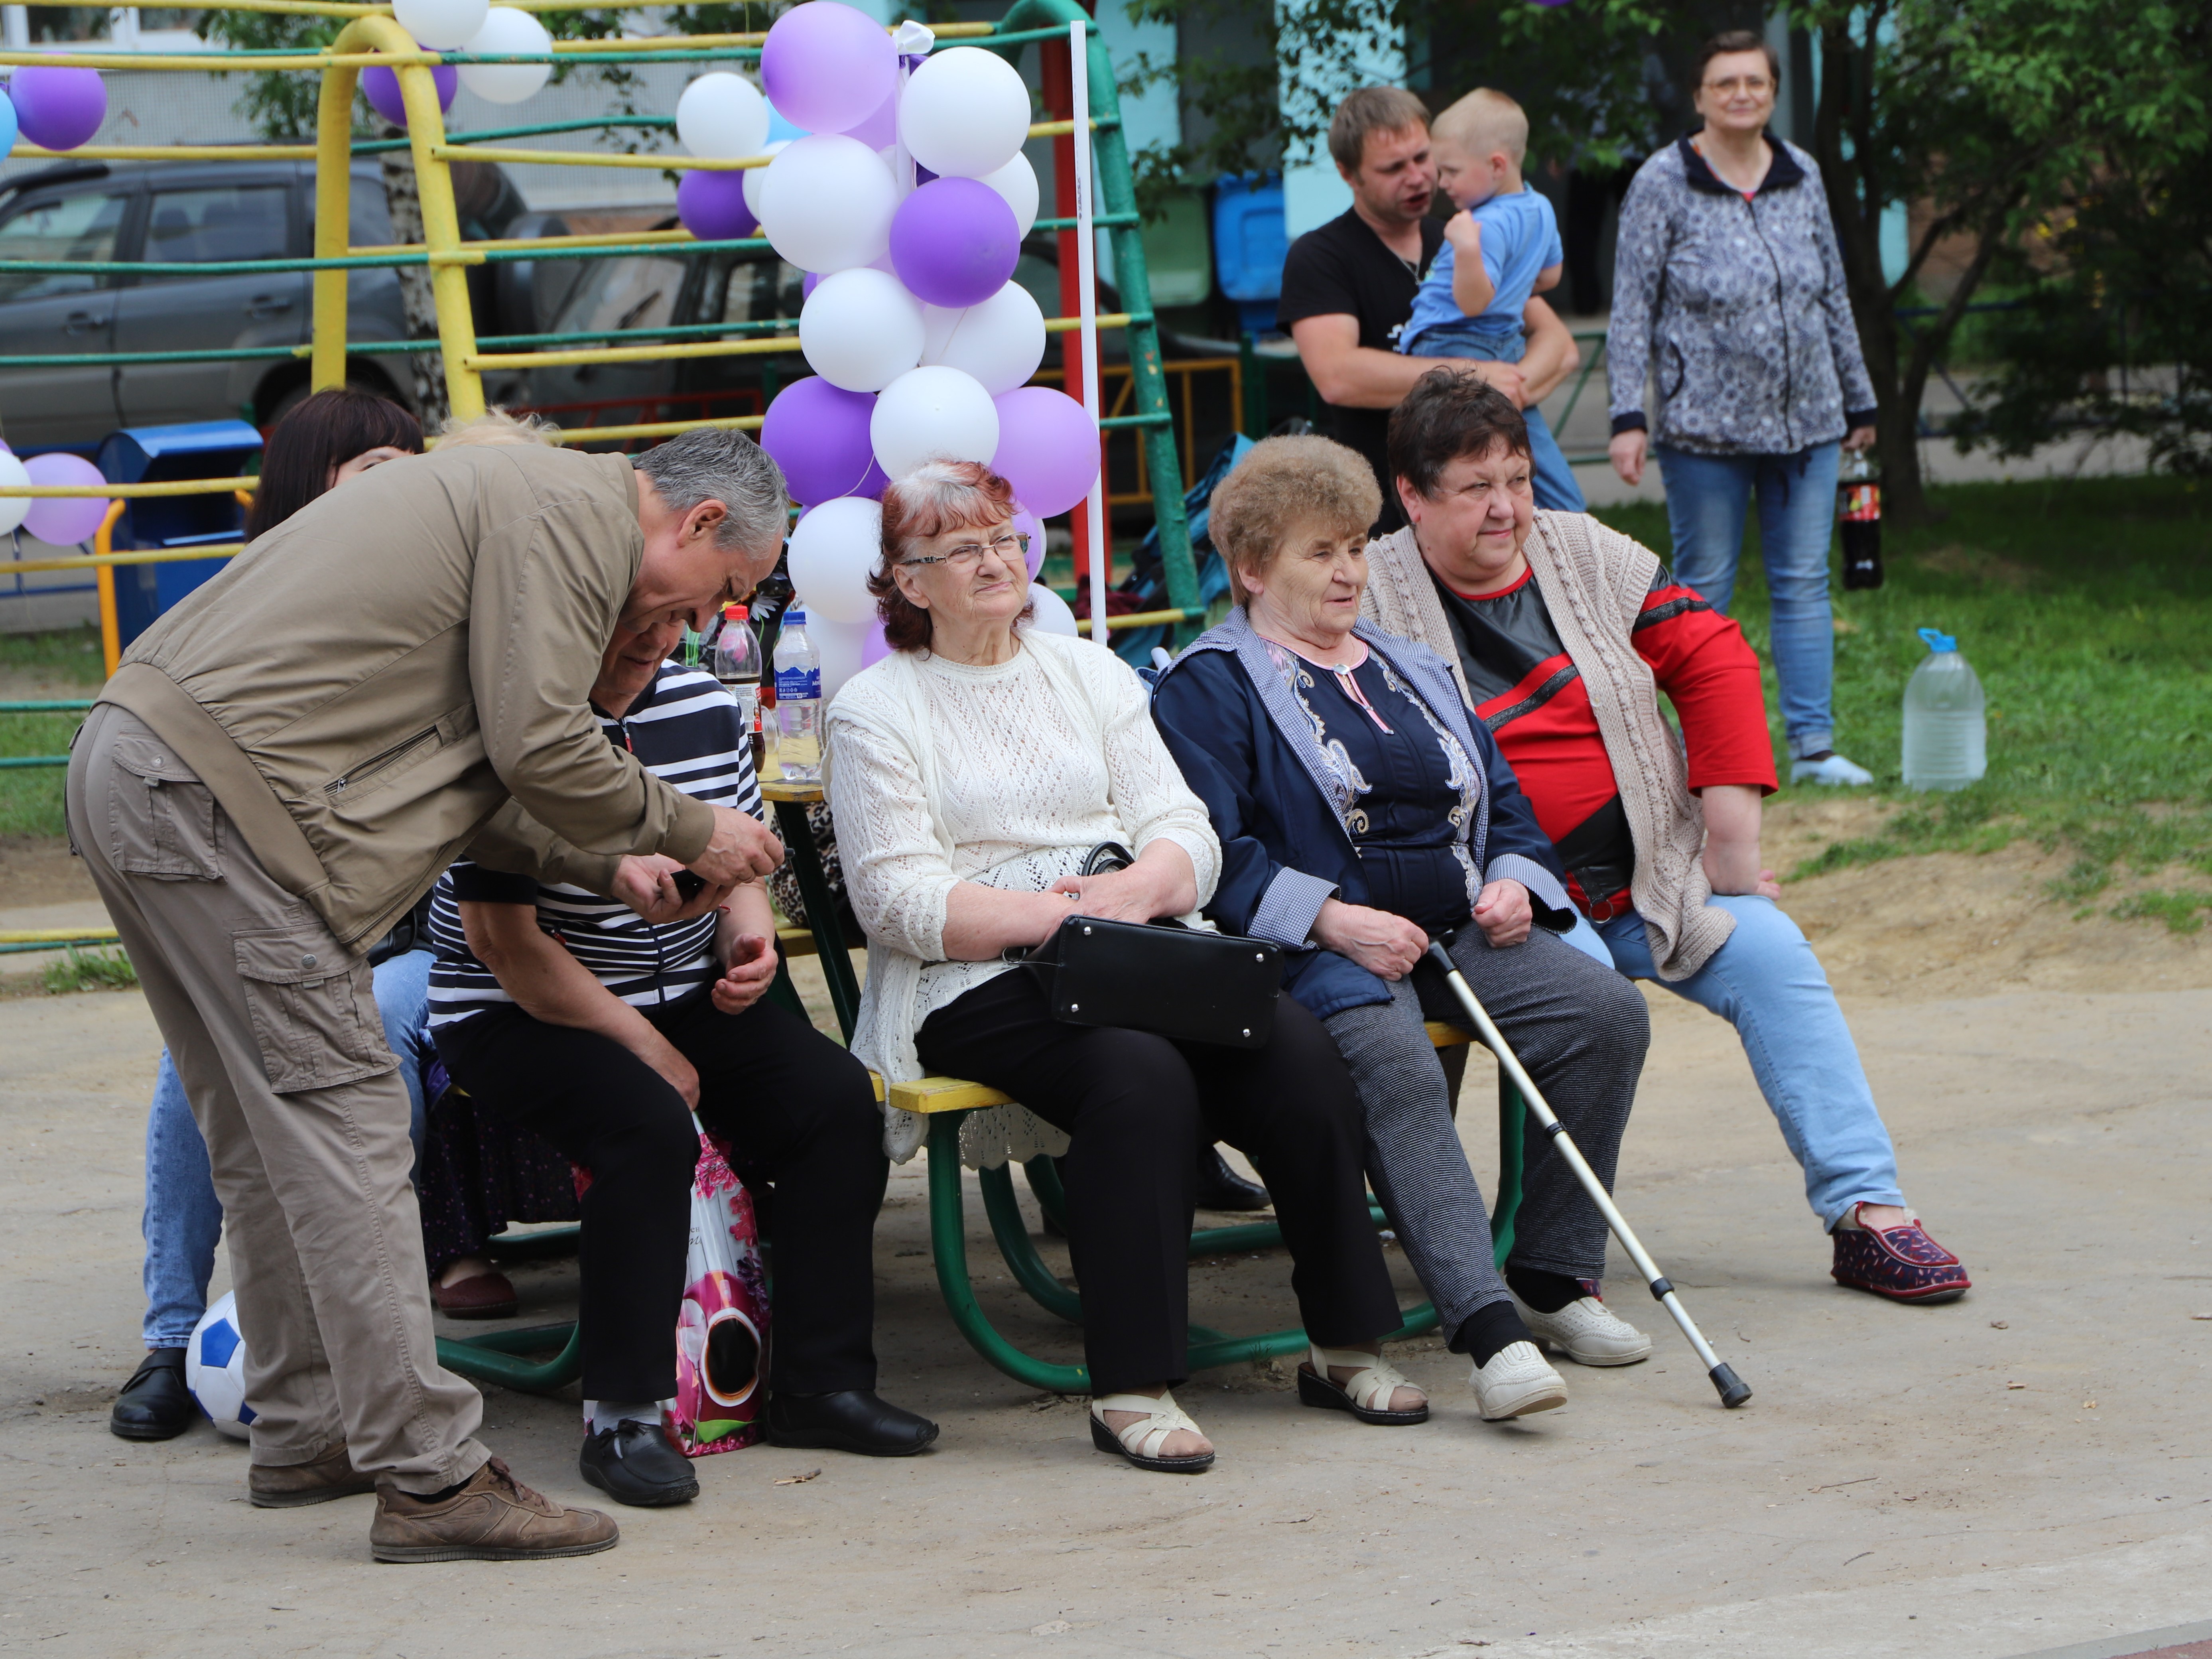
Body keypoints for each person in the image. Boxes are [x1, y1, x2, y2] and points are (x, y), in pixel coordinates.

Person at [69, 424, 790, 1563]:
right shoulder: (563, 513)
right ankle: (433, 1475)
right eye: (727, 590)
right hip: (219, 805)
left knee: (264, 1142)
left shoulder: (519, 502)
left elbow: (489, 771)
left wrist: (606, 866)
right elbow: (543, 744)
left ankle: (306, 1428)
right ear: (699, 523)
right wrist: (696, 826)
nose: (705, 623)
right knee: (354, 1134)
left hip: (147, 768)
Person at [827, 460, 1419, 1474]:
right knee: (1135, 1078)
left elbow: (1182, 826)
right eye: (961, 548)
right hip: (973, 977)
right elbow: (896, 900)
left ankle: (1343, 1343)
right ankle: (1132, 1385)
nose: (996, 561)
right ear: (908, 582)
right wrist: (1051, 923)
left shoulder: (1091, 671)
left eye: (1007, 539)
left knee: (1297, 1051)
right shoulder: (875, 708)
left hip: (1135, 941)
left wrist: (1138, 892)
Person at [1362, 368, 1970, 1304]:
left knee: (1774, 954)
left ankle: (1868, 1213)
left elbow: (1712, 650)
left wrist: (1730, 834)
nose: (1507, 508)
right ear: (1410, 494)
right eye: (1476, 486)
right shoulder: (1366, 594)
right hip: (1498, 916)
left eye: (1518, 478)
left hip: (1651, 883)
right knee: (1584, 1014)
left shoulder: (1580, 550)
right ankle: (1546, 1255)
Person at [1149, 434, 1654, 1420]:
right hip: (1317, 949)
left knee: (1604, 1012)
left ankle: (1552, 1276)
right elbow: (1220, 851)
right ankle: (1487, 1330)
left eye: (1356, 547)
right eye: (1319, 553)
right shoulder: (1207, 686)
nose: (1349, 571)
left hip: (1457, 929)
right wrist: (1334, 921)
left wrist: (1511, 880)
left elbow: (1501, 803)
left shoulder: (1412, 665)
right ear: (1252, 569)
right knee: (1396, 1066)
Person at [429, 607, 927, 1508]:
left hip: (683, 993)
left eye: (665, 635)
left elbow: (736, 868)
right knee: (645, 1123)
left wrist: (748, 945)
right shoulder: (518, 727)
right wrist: (652, 1048)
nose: (645, 652)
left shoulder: (705, 703)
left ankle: (821, 1383)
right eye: (626, 635)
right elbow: (505, 946)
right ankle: (625, 1414)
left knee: (834, 1100)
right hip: (518, 1008)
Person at [109, 386, 435, 1443]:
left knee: (373, 1025)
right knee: (189, 1061)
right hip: (284, 916)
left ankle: (383, 1339)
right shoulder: (242, 620)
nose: (399, 493)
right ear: (309, 487)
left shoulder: (435, 596)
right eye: (368, 471)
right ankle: (172, 1336)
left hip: (433, 929)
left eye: (409, 467)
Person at [1605, 28, 1881, 788]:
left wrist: (1859, 396)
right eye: (1724, 83)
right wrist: (1626, 416)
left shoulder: (1803, 174)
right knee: (1703, 591)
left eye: (1754, 82)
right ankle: (1705, 758)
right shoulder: (1663, 181)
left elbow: (1832, 293)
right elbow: (1631, 307)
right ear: (1699, 98)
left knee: (1803, 582)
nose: (1740, 94)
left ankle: (1814, 748)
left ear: (1771, 92)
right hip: (1703, 433)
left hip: (1810, 424)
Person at [1277, 85, 1584, 529]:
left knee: (1566, 514)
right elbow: (1338, 376)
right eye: (1393, 167)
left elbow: (1559, 342)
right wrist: (1475, 376)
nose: (1419, 177)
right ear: (1349, 174)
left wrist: (1510, 387)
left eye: (1424, 159)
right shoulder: (1321, 255)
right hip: (1387, 512)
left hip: (1483, 509)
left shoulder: (1464, 234)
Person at [1398, 90, 1581, 514]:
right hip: (1505, 342)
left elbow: (1473, 301)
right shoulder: (1540, 207)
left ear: (1497, 165)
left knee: (1454, 467)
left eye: (1452, 171)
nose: (1442, 183)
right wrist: (1513, 285)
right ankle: (1569, 518)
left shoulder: (1482, 224)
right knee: (1522, 450)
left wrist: (1464, 247)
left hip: (1451, 343)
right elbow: (1549, 276)